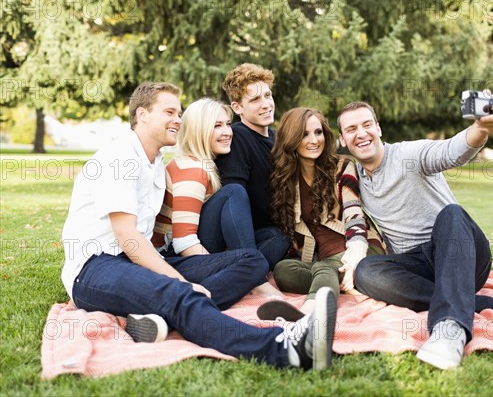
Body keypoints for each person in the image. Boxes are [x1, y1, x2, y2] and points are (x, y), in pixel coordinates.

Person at [60, 82, 336, 370]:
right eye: (169, 112)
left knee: (250, 259)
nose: (178, 120)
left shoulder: (154, 162)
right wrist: (180, 281)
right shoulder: (119, 158)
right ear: (142, 115)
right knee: (179, 292)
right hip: (95, 268)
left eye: (179, 113)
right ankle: (284, 348)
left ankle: (159, 320)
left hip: (138, 262)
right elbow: (127, 236)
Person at [336, 99, 493, 370]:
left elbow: (453, 151)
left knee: (451, 213)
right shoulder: (353, 178)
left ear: (378, 129)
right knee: (367, 271)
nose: (361, 133)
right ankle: (489, 304)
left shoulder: (408, 155)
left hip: (460, 250)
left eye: (367, 125)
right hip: (420, 267)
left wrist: (480, 128)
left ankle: (450, 330)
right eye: (352, 129)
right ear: (343, 139)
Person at [256, 108, 385, 320]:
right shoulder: (287, 180)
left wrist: (354, 255)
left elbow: (354, 212)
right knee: (282, 270)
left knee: (324, 270)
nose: (314, 140)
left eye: (318, 132)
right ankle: (342, 285)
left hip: (360, 250)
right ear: (292, 139)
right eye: (304, 134)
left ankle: (308, 316)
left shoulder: (342, 166)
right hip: (323, 260)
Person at [151, 97, 282, 297]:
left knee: (276, 236)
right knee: (233, 192)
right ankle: (253, 279)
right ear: (199, 130)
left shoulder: (205, 165)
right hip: (173, 259)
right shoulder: (192, 170)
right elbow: (184, 242)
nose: (228, 132)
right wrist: (219, 265)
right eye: (217, 126)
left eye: (228, 124)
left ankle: (243, 274)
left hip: (192, 250)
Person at [215, 63, 289, 269]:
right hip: (250, 237)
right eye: (255, 99)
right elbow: (233, 201)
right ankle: (241, 270)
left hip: (278, 230)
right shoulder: (237, 137)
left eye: (268, 95)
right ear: (237, 107)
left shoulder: (277, 139)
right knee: (279, 238)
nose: (266, 104)